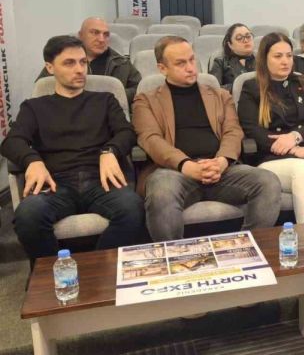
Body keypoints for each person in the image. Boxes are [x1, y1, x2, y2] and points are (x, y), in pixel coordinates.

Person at [2, 35, 144, 260]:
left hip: (101, 180)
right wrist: (32, 160)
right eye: (69, 63)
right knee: (28, 215)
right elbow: (12, 142)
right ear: (50, 67)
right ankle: (54, 272)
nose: (79, 69)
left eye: (82, 62)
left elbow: (127, 132)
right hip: (57, 183)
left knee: (133, 209)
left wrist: (110, 151)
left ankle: (97, 270)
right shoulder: (34, 107)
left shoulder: (105, 100)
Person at [132, 36, 281, 241]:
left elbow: (233, 131)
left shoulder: (220, 96)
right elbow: (151, 139)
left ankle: (245, 248)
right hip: (175, 172)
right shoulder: (146, 100)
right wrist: (186, 165)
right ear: (162, 68)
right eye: (180, 63)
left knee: (268, 181)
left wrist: (222, 161)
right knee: (161, 191)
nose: (190, 68)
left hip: (221, 170)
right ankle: (175, 256)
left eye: (192, 60)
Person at [238, 32, 304, 246]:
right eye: (278, 56)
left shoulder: (303, 82)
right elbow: (251, 129)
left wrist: (296, 137)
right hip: (273, 157)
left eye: (289, 55)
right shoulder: (252, 87)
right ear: (264, 59)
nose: (285, 61)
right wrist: (293, 150)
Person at [37, 17, 141, 102]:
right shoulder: (62, 62)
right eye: (95, 33)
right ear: (80, 35)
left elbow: (138, 89)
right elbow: (42, 88)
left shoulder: (122, 63)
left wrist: (110, 97)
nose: (101, 39)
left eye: (106, 35)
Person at [209, 23, 256, 92]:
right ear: (230, 45)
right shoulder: (220, 62)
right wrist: (239, 86)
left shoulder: (262, 59)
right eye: (239, 38)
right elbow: (214, 89)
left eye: (248, 36)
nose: (246, 40)